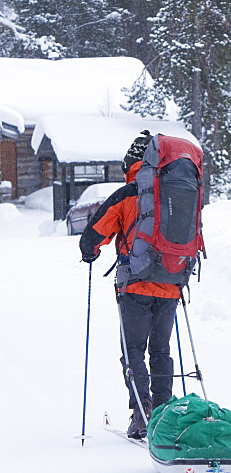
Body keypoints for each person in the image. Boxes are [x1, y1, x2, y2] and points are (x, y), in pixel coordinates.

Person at [79, 131, 178, 438]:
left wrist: (90, 253)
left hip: (134, 285)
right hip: (172, 283)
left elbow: (93, 235)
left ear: (131, 164)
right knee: (161, 349)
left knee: (133, 349)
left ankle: (141, 410)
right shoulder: (177, 192)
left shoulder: (128, 194)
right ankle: (165, 412)